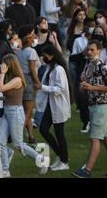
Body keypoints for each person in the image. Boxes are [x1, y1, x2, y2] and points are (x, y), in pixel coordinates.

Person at [0, 54, 48, 178]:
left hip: (15, 113)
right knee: (0, 143)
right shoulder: (11, 78)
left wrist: (2, 73)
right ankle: (5, 169)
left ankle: (41, 159)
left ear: (10, 65)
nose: (2, 66)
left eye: (4, 64)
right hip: (8, 111)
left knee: (18, 144)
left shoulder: (17, 79)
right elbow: (9, 96)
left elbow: (0, 87)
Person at [72, 40, 107, 178]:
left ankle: (87, 170)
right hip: (93, 106)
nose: (89, 52)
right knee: (105, 138)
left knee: (94, 138)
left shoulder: (103, 66)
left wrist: (93, 87)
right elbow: (83, 87)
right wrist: (83, 87)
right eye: (88, 50)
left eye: (92, 50)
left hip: (102, 106)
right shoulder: (88, 67)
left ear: (99, 51)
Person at [35, 45, 71, 174]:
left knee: (59, 134)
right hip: (51, 105)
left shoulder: (59, 69)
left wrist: (42, 87)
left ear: (52, 55)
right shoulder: (51, 67)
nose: (44, 58)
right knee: (43, 129)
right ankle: (61, 156)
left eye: (46, 55)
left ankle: (64, 161)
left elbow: (59, 89)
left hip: (59, 106)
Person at [16, 25, 41, 144]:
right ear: (28, 36)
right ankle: (16, 135)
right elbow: (32, 70)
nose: (35, 36)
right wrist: (37, 82)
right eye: (33, 33)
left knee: (27, 112)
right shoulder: (31, 52)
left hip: (20, 81)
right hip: (29, 82)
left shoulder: (19, 51)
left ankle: (31, 136)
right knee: (27, 112)